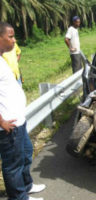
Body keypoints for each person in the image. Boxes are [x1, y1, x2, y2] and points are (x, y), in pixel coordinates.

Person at [0, 22, 46, 200]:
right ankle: (19, 197)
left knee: (26, 153)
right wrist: (2, 121)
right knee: (13, 165)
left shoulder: (3, 58)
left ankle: (26, 186)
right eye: (10, 36)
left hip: (18, 120)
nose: (14, 40)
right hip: (9, 125)